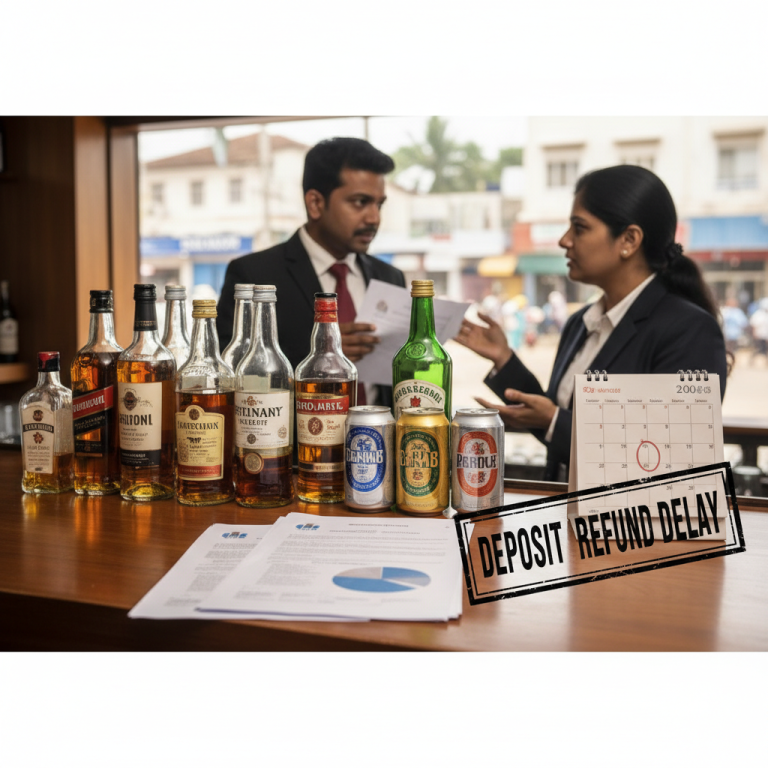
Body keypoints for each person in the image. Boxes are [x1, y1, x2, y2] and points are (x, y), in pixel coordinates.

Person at [455, 165, 728, 482]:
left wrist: (555, 421)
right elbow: (558, 423)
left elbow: (669, 456)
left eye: (579, 228)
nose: (564, 240)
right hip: (565, 515)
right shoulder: (579, 324)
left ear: (629, 239)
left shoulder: (689, 331)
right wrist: (504, 359)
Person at [216, 137, 405, 406]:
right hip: (294, 442)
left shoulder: (389, 277)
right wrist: (319, 357)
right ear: (315, 203)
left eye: (379, 204)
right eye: (360, 202)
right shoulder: (254, 275)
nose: (374, 218)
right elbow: (227, 373)